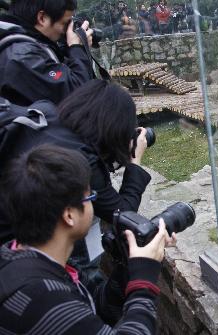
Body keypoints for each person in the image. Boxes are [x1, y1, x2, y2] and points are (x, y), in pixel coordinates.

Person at [0, 144, 175, 333]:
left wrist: (126, 266)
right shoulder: (45, 298)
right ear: (69, 215)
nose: (94, 203)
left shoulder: (22, 257)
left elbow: (99, 305)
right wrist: (144, 280)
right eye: (90, 196)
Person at [0, 80, 152, 291]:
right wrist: (135, 164)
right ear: (114, 127)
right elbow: (123, 213)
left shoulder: (48, 113)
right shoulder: (78, 158)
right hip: (20, 251)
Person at [0, 0, 94, 106]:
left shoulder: (26, 45)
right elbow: (79, 97)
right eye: (65, 23)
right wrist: (77, 48)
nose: (66, 30)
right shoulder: (22, 56)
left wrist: (68, 49)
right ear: (42, 18)